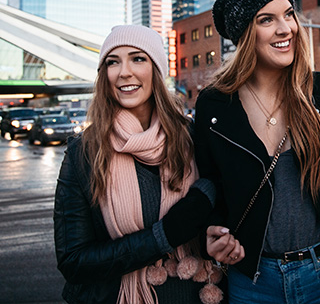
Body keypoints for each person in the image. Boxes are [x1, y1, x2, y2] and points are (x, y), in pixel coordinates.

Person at [193, 0, 320, 304]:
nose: (286, 28)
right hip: (254, 280)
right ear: (244, 34)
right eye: (266, 19)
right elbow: (208, 182)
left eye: (289, 14)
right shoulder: (215, 104)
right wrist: (210, 234)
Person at [54, 25, 223, 304]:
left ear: (156, 70)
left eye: (138, 58)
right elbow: (74, 261)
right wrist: (162, 236)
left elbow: (220, 215)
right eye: (112, 62)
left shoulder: (193, 137)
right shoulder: (83, 152)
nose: (124, 72)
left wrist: (212, 221)